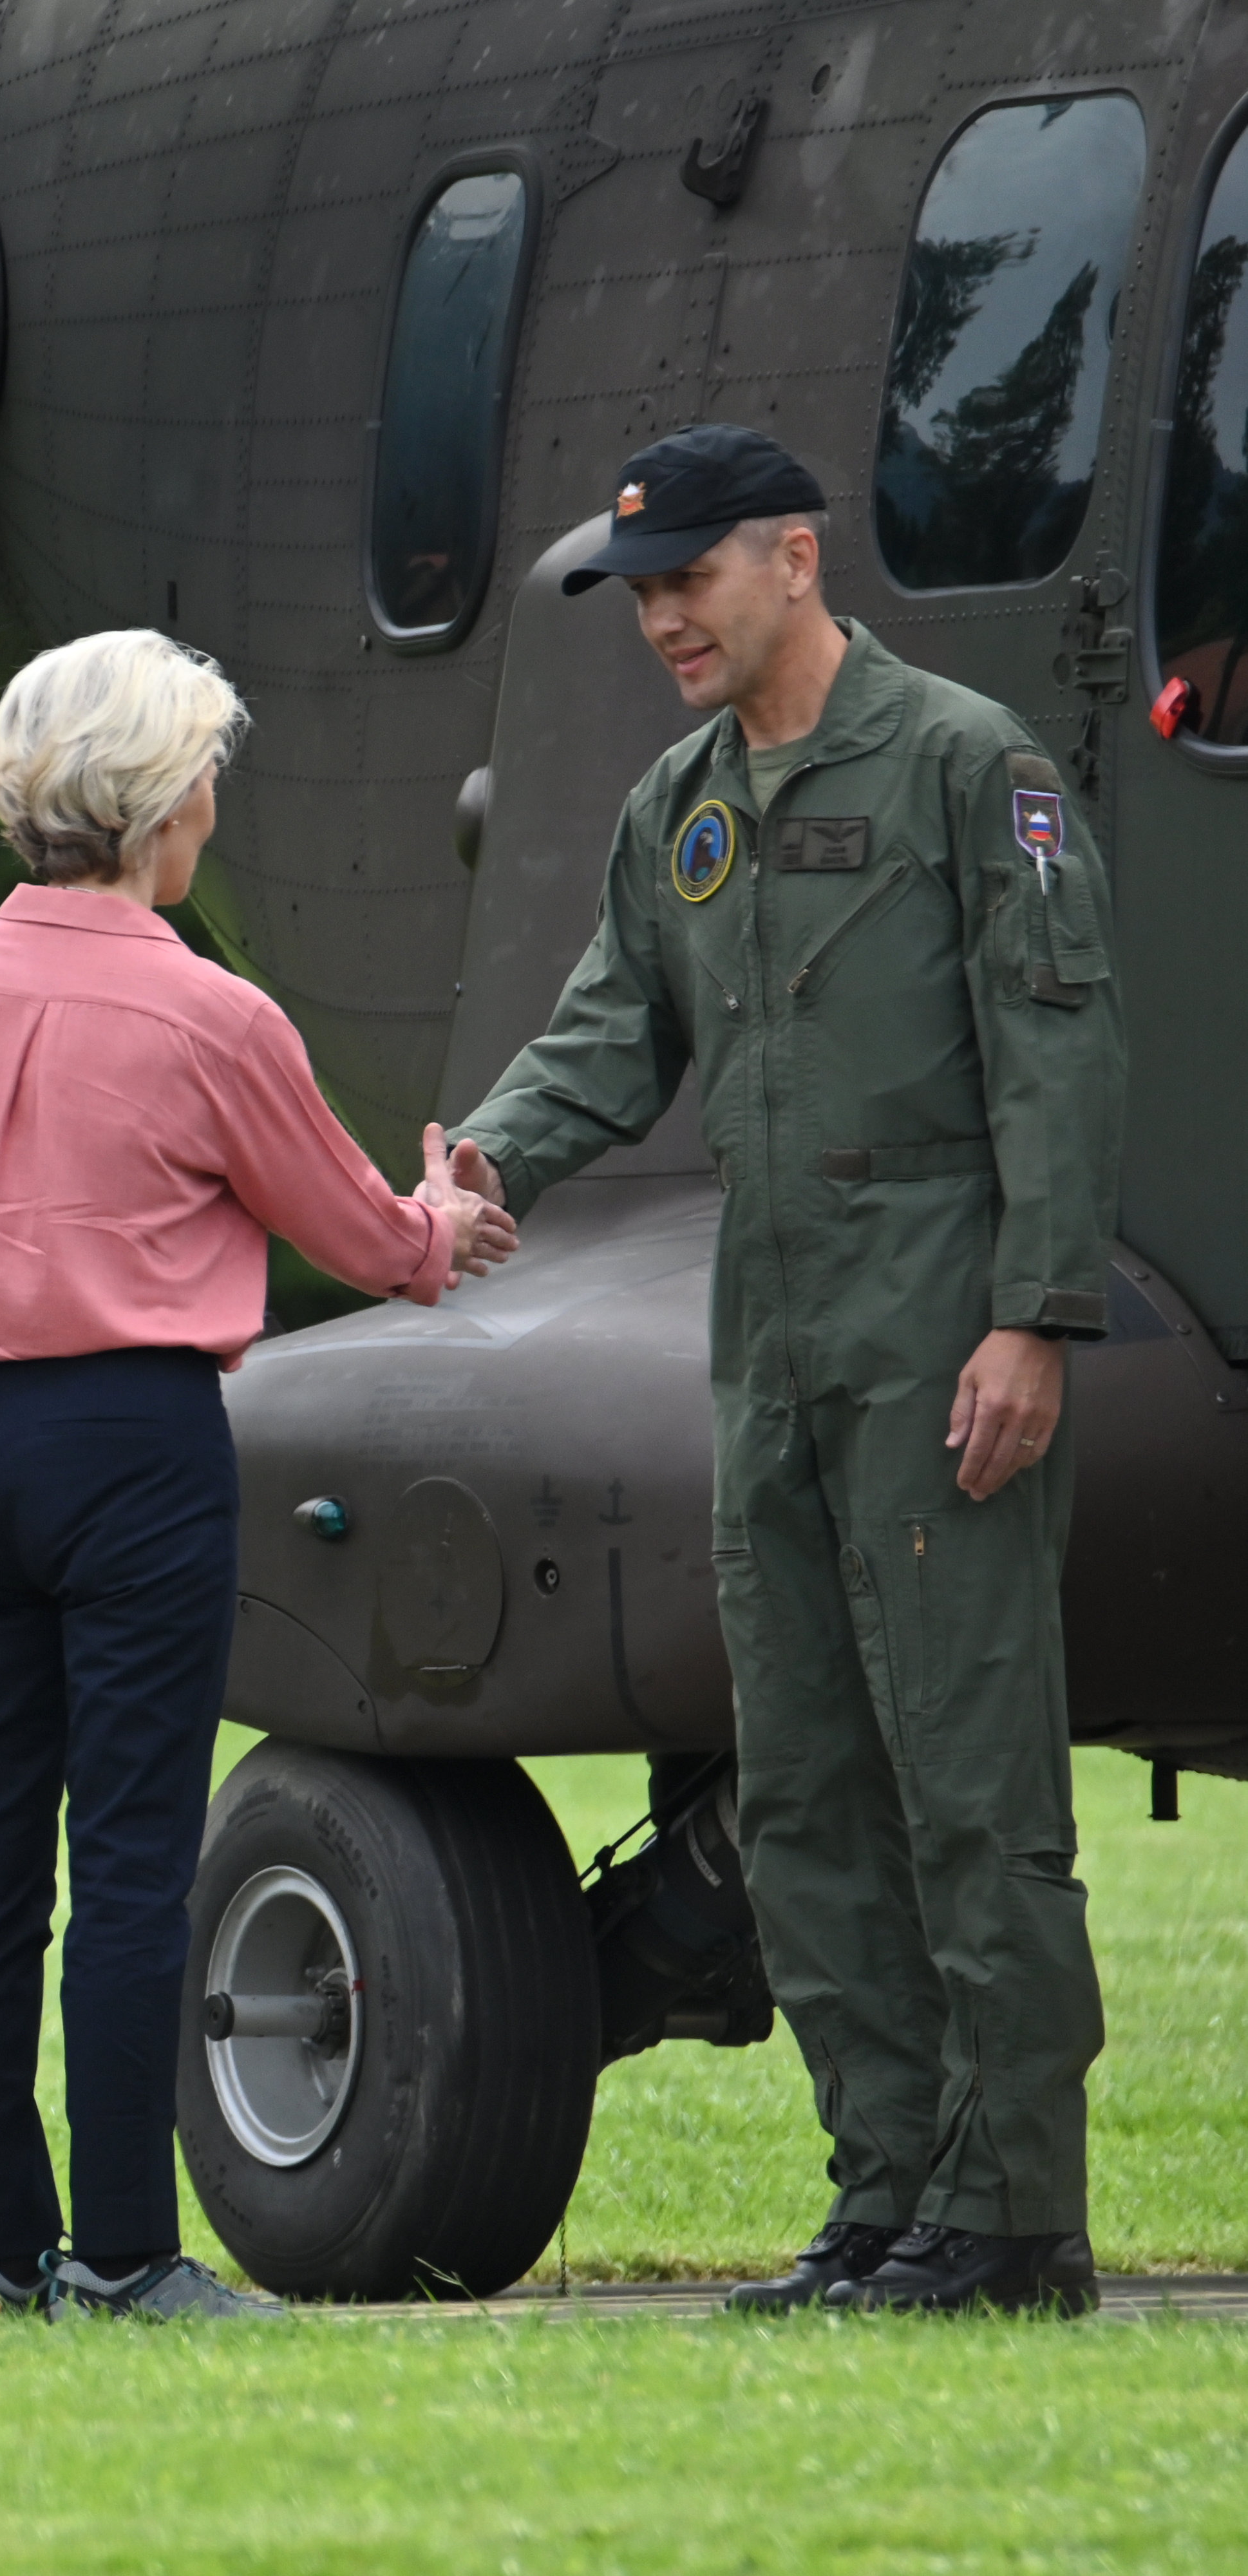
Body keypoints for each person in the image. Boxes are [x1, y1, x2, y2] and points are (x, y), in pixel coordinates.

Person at [443, 425, 1126, 2318]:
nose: (661, 614)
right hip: (770, 1346)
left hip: (939, 1329)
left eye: (690, 578)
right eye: (641, 589)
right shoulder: (681, 806)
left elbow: (1057, 1051)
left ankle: (1011, 2217)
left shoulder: (963, 766)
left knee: (970, 1790)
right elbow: (605, 1032)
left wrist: (1031, 1314)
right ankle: (889, 2197)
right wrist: (491, 1155)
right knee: (809, 1794)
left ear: (798, 559)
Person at [0, 630, 515, 2324]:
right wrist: (446, 1223)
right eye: (205, 770)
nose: (214, 800)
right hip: (129, 1442)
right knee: (129, 1855)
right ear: (159, 805)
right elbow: (356, 1231)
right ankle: (128, 2253)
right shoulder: (207, 1011)